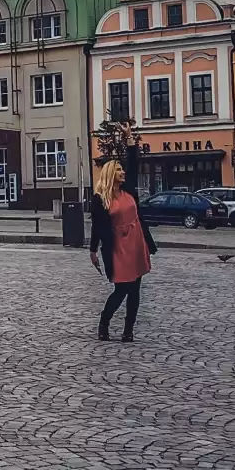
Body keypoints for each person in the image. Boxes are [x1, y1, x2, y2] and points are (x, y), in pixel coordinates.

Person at [89, 139, 157, 343]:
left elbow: (134, 164)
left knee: (135, 289)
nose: (123, 172)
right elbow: (97, 226)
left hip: (136, 242)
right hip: (117, 246)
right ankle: (104, 322)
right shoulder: (100, 198)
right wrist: (93, 250)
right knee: (122, 288)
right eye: (118, 170)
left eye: (122, 169)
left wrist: (129, 141)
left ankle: (129, 330)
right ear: (111, 174)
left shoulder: (128, 190)